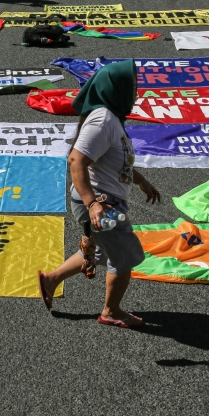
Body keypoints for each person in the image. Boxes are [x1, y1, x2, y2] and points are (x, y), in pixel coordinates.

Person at [36, 60, 161, 328]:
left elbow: (116, 162)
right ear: (114, 89)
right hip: (100, 202)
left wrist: (141, 181)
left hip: (102, 200)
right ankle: (111, 311)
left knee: (104, 251)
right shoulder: (103, 119)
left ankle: (51, 278)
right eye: (132, 86)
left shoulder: (111, 118)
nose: (136, 92)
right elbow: (76, 160)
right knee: (123, 257)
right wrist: (93, 204)